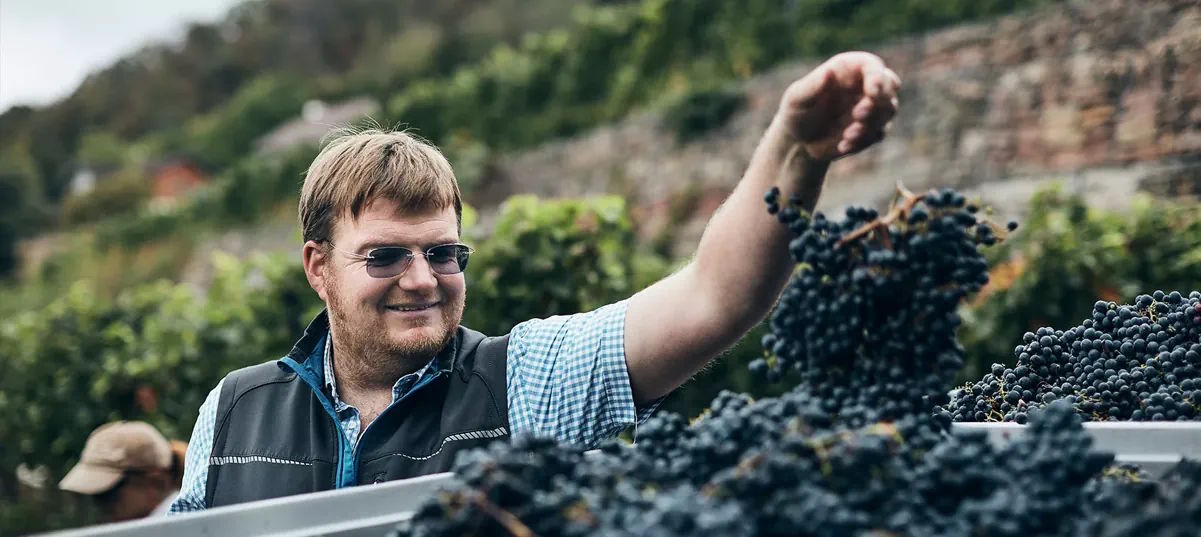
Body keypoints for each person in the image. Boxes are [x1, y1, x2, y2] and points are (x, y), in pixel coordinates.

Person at [169, 51, 901, 511]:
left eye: (445, 253)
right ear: (317, 267)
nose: (423, 279)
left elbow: (712, 298)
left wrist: (796, 152)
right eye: (385, 256)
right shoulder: (232, 411)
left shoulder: (522, 379)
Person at [59, 421, 186, 522]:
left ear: (155, 482)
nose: (100, 505)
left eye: (107, 493)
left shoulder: (181, 526)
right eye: (95, 496)